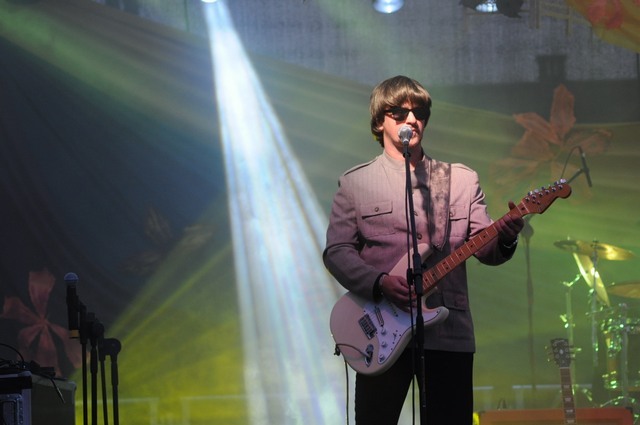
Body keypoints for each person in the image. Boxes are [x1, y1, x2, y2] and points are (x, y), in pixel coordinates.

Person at [323, 75, 524, 425]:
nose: (412, 119)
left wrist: (505, 237)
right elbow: (337, 251)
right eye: (400, 113)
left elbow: (486, 248)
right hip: (380, 333)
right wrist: (380, 283)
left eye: (420, 113)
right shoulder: (355, 183)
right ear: (379, 122)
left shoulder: (462, 181)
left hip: (448, 332)